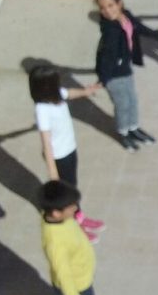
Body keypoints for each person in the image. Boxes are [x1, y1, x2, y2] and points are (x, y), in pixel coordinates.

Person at [29, 65, 104, 239]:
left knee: (72, 186)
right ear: (46, 86)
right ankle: (72, 226)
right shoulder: (42, 110)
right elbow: (46, 144)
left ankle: (79, 216)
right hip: (59, 157)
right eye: (55, 81)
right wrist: (53, 175)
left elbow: (69, 93)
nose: (59, 83)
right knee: (65, 194)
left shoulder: (56, 95)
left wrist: (86, 91)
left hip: (70, 150)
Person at [94, 0, 158, 151]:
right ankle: (123, 132)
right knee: (122, 104)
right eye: (102, 8)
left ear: (120, 3)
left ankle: (133, 128)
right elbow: (105, 57)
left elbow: (138, 27)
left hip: (125, 67)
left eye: (110, 5)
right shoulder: (110, 30)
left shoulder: (126, 16)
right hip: (113, 74)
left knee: (132, 100)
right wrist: (103, 79)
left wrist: (156, 34)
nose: (107, 10)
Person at [39, 180, 105, 295]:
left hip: (80, 278)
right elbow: (63, 272)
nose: (75, 208)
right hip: (77, 286)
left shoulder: (52, 216)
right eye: (71, 206)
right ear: (56, 213)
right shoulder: (56, 243)